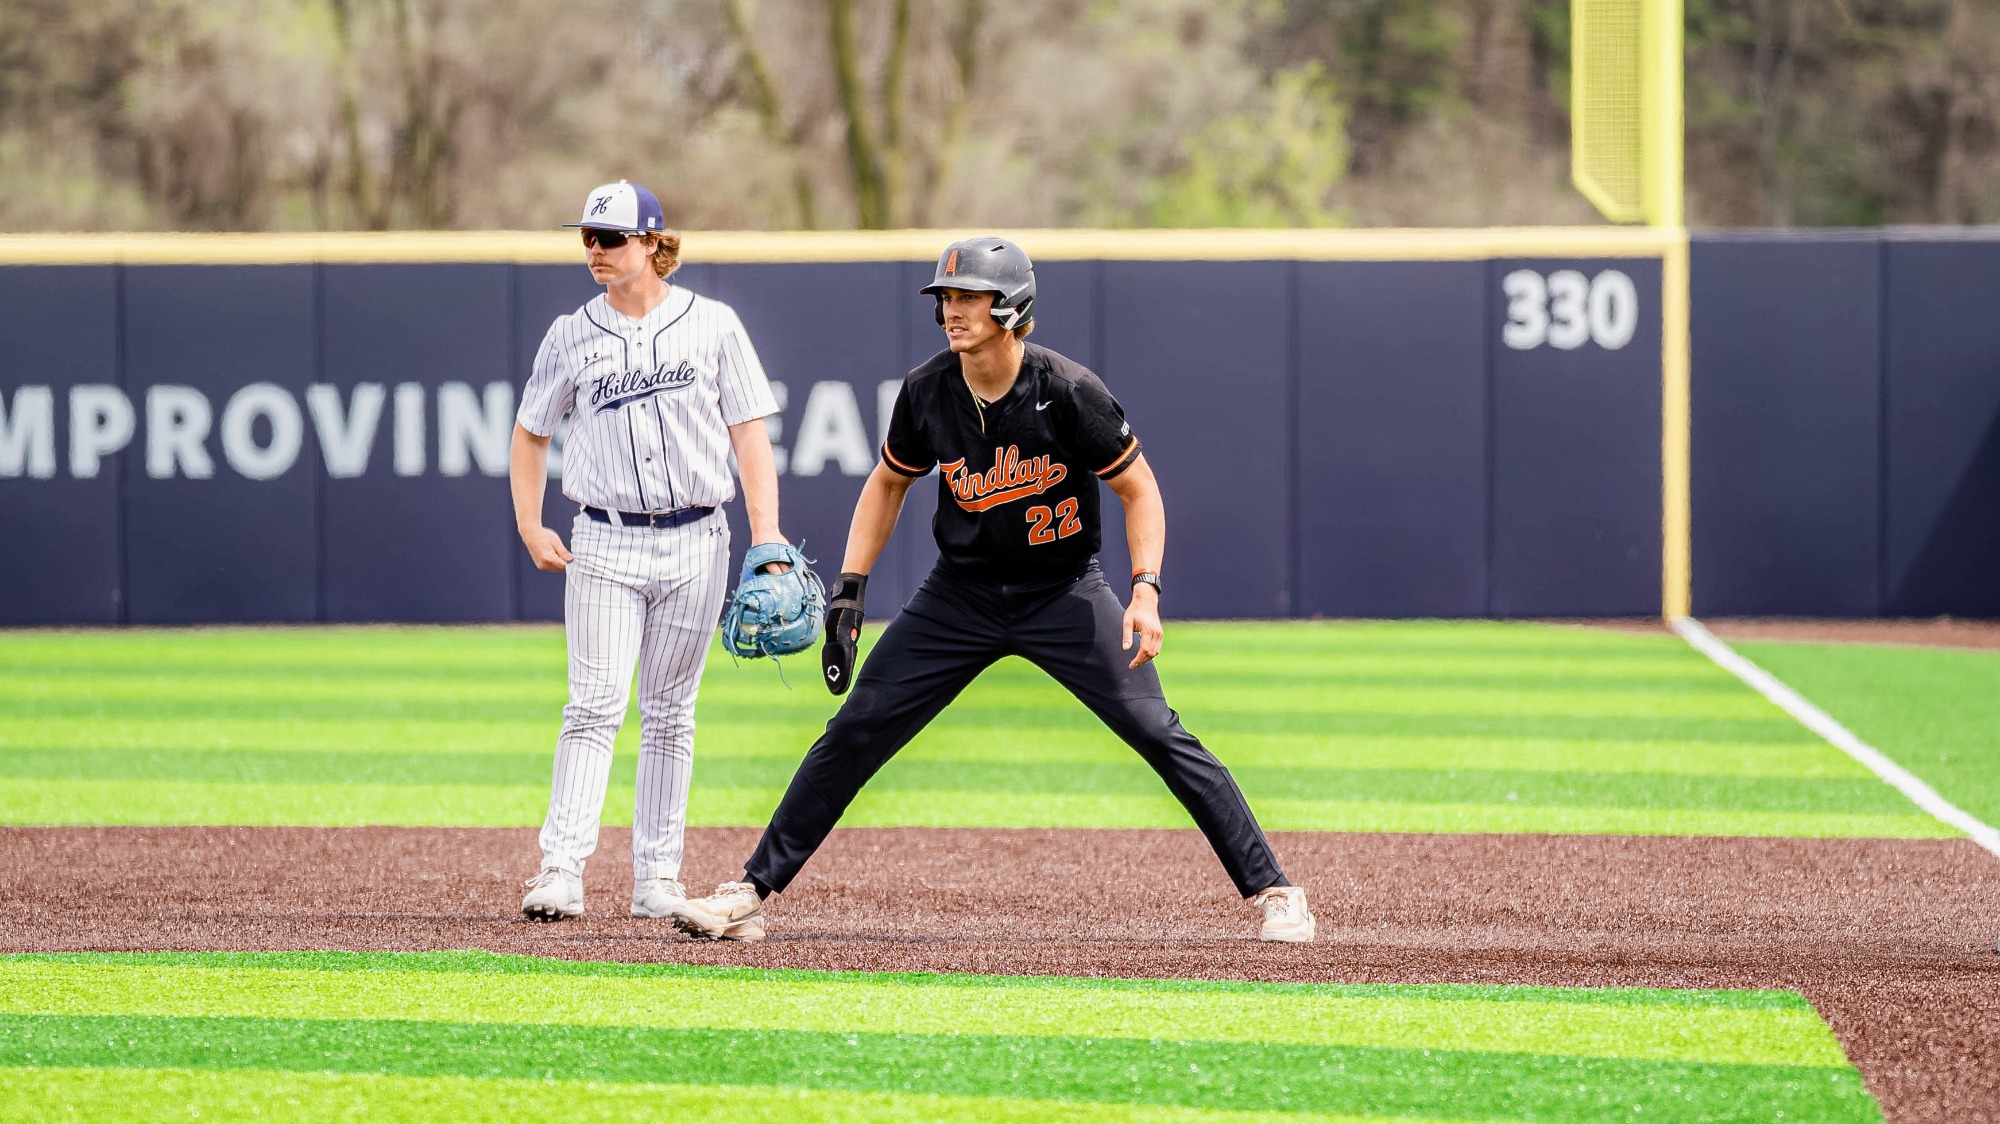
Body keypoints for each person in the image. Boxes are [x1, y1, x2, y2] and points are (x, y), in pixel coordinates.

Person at [671, 237, 1313, 943]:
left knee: (1158, 732)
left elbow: (1141, 490)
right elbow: (888, 481)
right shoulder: (927, 391)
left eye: (968, 295)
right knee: (855, 730)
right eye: (946, 297)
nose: (952, 310)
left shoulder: (1068, 391)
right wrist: (850, 590)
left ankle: (1276, 891)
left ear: (1010, 307)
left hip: (1063, 591)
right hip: (962, 596)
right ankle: (749, 891)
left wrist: (1146, 592)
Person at [510, 180, 788, 922]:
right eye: (587, 238)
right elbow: (532, 431)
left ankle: (657, 878)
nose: (594, 251)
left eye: (610, 238)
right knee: (593, 706)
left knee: (670, 714)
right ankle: (561, 870)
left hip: (699, 536)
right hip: (604, 536)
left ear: (653, 243)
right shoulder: (571, 332)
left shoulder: (715, 325)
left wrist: (768, 537)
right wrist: (531, 523)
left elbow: (750, 433)